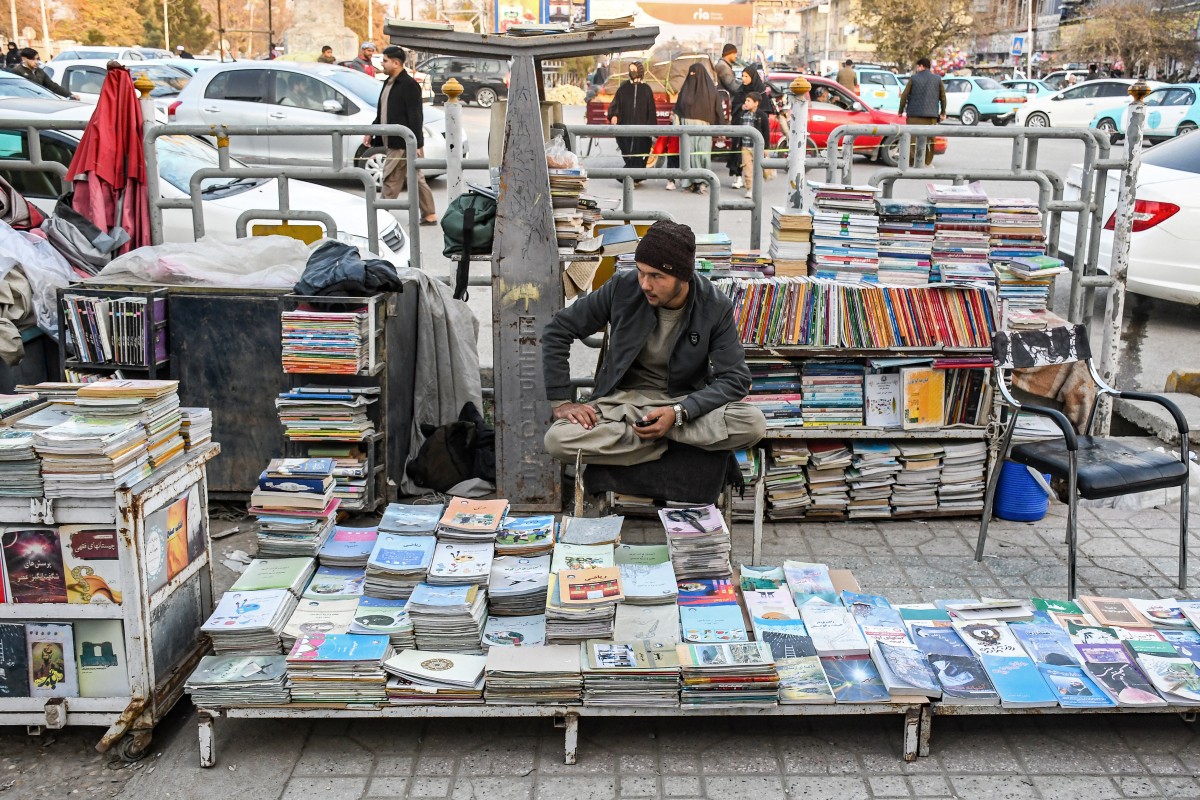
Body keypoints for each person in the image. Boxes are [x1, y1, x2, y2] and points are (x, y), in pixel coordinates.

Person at [542, 219, 766, 467]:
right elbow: (558, 329)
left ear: (683, 276)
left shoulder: (714, 305)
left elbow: (735, 378)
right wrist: (561, 401)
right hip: (621, 405)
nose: (645, 284)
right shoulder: (622, 288)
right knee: (557, 440)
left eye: (657, 276)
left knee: (752, 423)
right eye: (641, 271)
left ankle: (644, 440)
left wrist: (679, 413)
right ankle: (668, 442)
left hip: (681, 403)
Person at [367, 46, 436, 225]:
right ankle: (429, 214)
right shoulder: (389, 82)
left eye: (385, 61)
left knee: (391, 178)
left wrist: (417, 143)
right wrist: (372, 130)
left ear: (396, 63)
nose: (382, 64)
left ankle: (380, 216)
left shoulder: (409, 85)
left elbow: (415, 116)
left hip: (402, 142)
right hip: (393, 140)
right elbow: (383, 111)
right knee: (416, 179)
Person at [672, 63, 722, 194]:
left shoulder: (711, 91)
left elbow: (717, 109)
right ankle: (688, 182)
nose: (692, 76)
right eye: (691, 74)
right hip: (687, 128)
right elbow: (678, 108)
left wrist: (721, 128)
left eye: (695, 74)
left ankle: (703, 182)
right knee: (687, 155)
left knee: (703, 155)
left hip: (704, 129)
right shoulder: (685, 90)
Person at [607, 62, 656, 181]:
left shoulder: (646, 89)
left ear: (640, 71)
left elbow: (651, 110)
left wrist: (652, 129)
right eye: (630, 70)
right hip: (626, 127)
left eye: (634, 70)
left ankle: (628, 177)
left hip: (642, 129)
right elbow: (615, 103)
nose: (632, 72)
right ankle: (631, 177)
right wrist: (614, 115)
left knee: (640, 153)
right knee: (628, 153)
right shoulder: (624, 88)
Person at [730, 66, 774, 188]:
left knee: (754, 159)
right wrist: (741, 107)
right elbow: (734, 106)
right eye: (742, 76)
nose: (744, 79)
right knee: (738, 153)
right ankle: (738, 177)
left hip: (755, 129)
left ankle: (753, 183)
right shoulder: (740, 90)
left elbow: (765, 112)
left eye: (746, 76)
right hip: (741, 126)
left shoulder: (761, 91)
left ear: (752, 77)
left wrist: (754, 110)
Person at [897, 56, 946, 166]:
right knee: (930, 140)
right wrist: (943, 112)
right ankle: (927, 161)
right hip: (931, 116)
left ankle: (913, 161)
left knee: (912, 139)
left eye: (918, 67)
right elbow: (943, 97)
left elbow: (904, 95)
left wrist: (900, 111)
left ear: (921, 66)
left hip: (914, 115)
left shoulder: (914, 78)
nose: (917, 69)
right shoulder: (937, 79)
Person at [738, 91, 770, 199]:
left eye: (749, 101)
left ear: (756, 103)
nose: (746, 103)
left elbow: (766, 132)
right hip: (745, 146)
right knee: (747, 169)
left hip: (757, 147)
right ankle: (749, 189)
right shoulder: (743, 115)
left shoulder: (762, 116)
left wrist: (766, 148)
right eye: (745, 100)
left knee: (758, 169)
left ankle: (757, 187)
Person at [10, 49, 77, 99]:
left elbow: (52, 86)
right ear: (24, 59)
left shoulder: (39, 71)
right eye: (33, 59)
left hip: (41, 101)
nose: (36, 62)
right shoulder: (17, 71)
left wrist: (69, 95)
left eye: (37, 59)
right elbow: (14, 91)